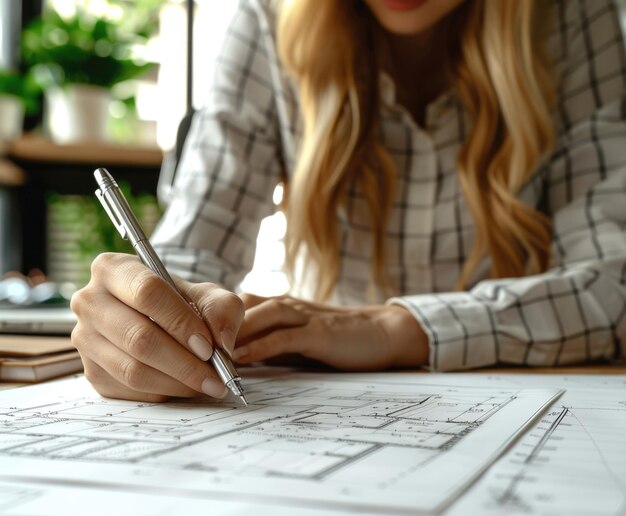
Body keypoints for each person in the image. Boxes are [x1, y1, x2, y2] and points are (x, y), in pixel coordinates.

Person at [71, 0, 626, 402]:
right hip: (322, 398)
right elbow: (190, 252)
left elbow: (613, 283)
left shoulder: (574, 17)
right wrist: (151, 316)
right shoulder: (267, 21)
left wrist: (395, 329)